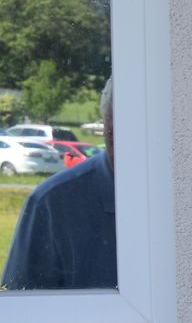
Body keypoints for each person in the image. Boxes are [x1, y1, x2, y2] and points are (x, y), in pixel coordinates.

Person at [1, 79, 116, 290]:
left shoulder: (174, 193)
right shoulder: (52, 203)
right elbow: (23, 302)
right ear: (105, 126)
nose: (125, 142)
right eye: (113, 132)